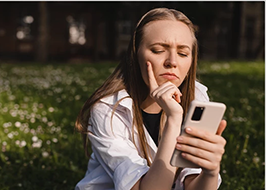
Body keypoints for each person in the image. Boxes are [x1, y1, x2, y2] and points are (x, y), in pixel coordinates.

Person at [75, 7, 227, 190]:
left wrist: (210, 171)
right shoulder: (108, 109)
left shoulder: (198, 98)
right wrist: (174, 118)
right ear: (135, 54)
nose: (172, 61)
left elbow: (191, 185)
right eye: (157, 50)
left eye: (183, 53)